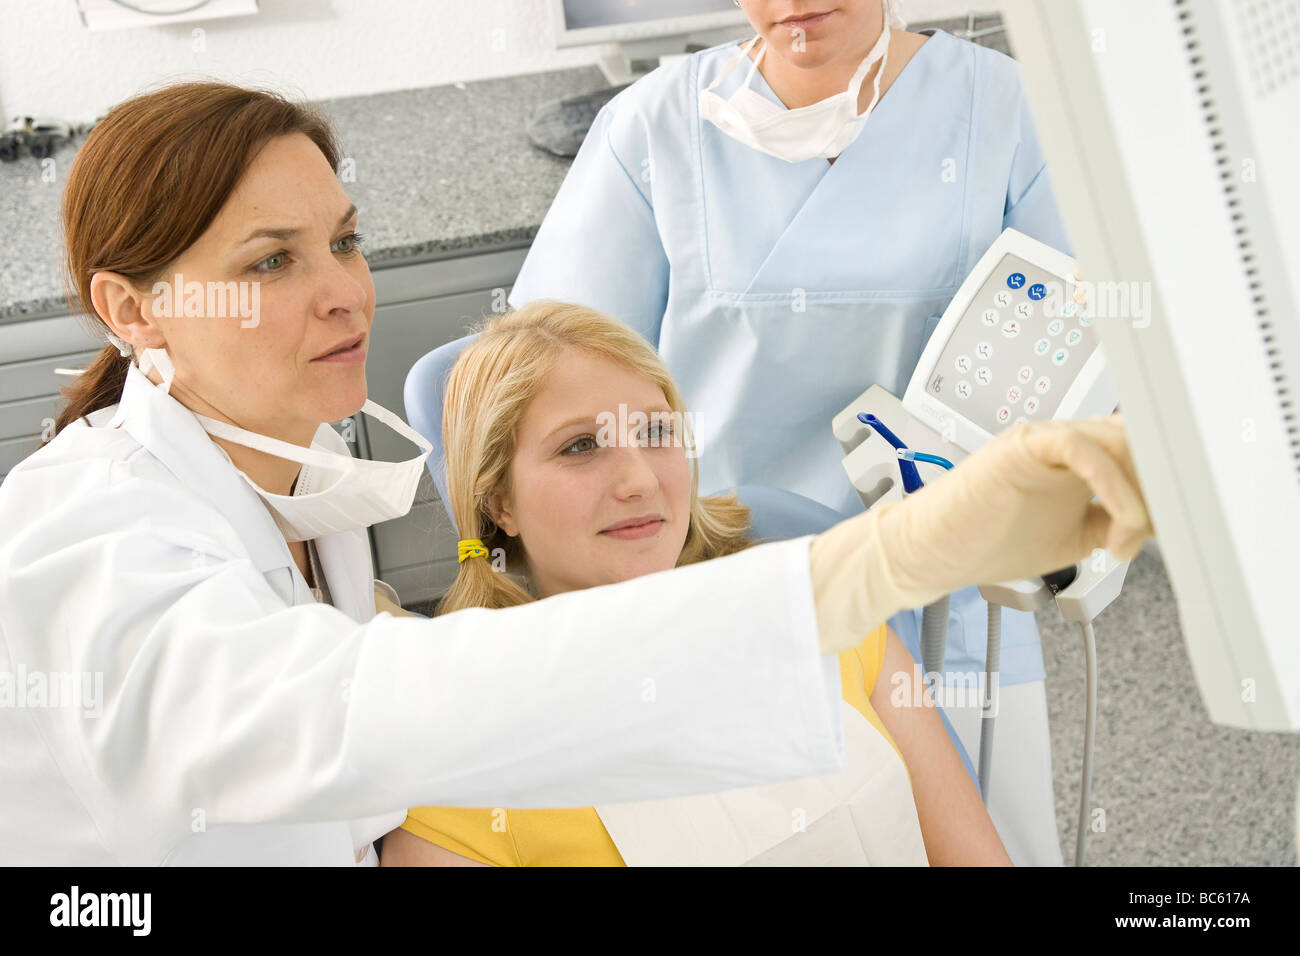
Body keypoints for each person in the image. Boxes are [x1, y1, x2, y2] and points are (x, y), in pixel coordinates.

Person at [0, 81, 1151, 867]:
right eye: (271, 261)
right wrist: (874, 562)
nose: (345, 290)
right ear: (132, 306)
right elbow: (339, 712)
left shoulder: (306, 482)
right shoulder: (94, 531)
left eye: (344, 241)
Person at [505, 0, 1075, 864]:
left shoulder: (1005, 111)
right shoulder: (653, 130)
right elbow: (548, 376)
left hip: (948, 600)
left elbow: (1082, 361)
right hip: (723, 595)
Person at [380, 302, 1015, 866]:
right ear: (499, 503)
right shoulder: (462, 786)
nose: (638, 480)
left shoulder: (825, 618)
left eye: (656, 433)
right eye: (580, 447)